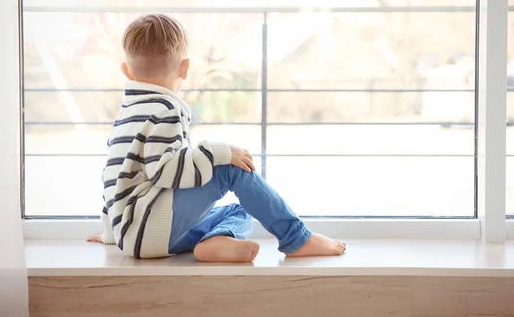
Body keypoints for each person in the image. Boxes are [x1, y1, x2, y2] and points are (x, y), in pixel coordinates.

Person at [87, 14, 346, 261]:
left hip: (135, 238)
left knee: (239, 210)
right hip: (153, 226)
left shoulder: (125, 116)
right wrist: (221, 154)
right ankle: (297, 239)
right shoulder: (165, 109)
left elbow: (112, 178)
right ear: (185, 68)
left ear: (126, 70)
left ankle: (216, 239)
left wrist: (112, 233)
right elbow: (166, 171)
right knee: (232, 169)